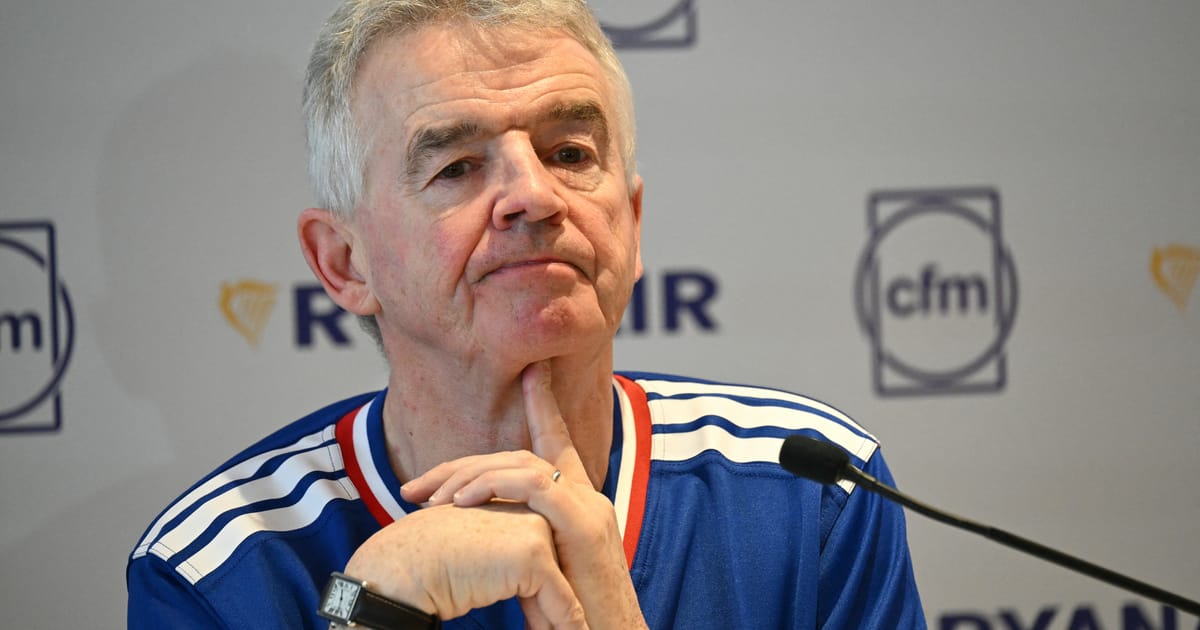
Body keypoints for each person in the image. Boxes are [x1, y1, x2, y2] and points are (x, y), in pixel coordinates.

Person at [126, 0, 926, 628]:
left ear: (632, 223)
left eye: (570, 153)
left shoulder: (808, 492)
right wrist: (371, 614)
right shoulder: (218, 565)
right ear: (343, 263)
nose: (535, 196)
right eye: (456, 166)